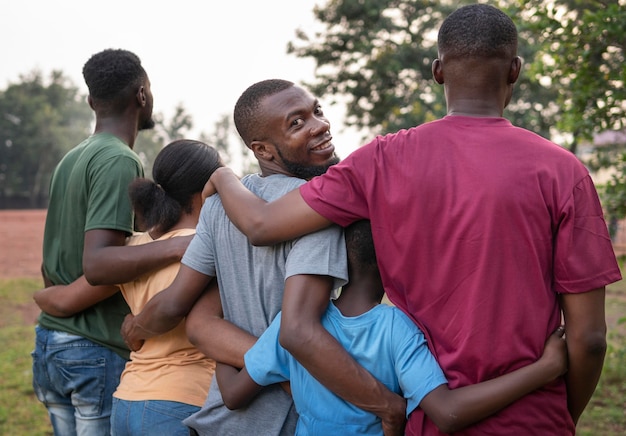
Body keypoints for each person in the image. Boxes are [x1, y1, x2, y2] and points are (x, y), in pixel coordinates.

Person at [203, 4, 623, 435]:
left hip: (431, 415)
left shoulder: (382, 160)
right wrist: (557, 417)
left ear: (438, 71)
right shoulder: (563, 172)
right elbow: (589, 339)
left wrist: (220, 173)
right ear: (514, 70)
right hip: (535, 418)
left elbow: (262, 225)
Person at [119, 79, 407, 435]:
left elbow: (192, 314)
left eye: (316, 111)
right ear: (263, 149)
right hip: (289, 420)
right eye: (296, 123)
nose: (320, 125)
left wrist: (137, 324)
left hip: (221, 420)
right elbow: (299, 332)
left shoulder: (221, 207)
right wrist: (387, 407)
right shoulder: (316, 209)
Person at [216, 219, 568, 435]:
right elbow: (447, 412)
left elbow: (232, 396)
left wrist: (221, 344)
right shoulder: (397, 328)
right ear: (395, 261)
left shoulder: (293, 324)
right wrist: (546, 368)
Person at [32, 48, 191, 436]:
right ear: (141, 95)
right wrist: (180, 246)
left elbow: (51, 256)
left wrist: (62, 300)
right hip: (92, 348)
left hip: (52, 340)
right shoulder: (120, 160)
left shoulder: (73, 158)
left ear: (91, 101)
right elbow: (101, 264)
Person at [34, 139, 222, 436]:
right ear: (207, 190)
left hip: (127, 400)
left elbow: (71, 296)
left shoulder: (134, 250)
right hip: (181, 400)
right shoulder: (208, 246)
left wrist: (42, 294)